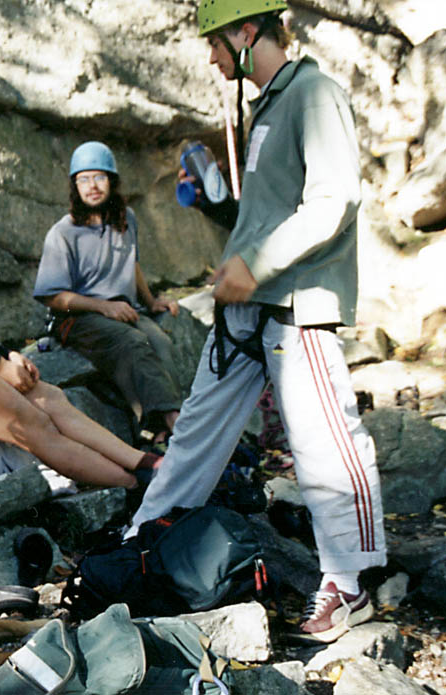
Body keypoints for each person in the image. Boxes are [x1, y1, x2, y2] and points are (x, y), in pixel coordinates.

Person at [128, 0, 386, 643]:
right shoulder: (268, 103)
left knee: (324, 441)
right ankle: (141, 547)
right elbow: (270, 212)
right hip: (247, 310)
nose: (211, 57)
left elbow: (336, 199)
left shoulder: (314, 92)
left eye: (216, 42)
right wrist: (222, 204)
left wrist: (257, 262)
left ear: (248, 32)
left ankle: (350, 584)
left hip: (297, 304)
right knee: (194, 433)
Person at [0, 165, 158, 490]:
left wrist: (8, 355)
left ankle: (143, 461)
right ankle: (137, 485)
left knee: (50, 397)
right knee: (36, 425)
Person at [32, 142, 184, 441]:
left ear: (112, 182)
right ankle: (171, 422)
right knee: (133, 342)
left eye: (99, 177)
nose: (92, 186)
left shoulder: (126, 219)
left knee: (161, 343)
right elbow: (53, 296)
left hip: (122, 310)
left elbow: (132, 264)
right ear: (75, 186)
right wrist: (103, 307)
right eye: (84, 179)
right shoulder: (63, 233)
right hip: (78, 317)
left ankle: (160, 429)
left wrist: (151, 301)